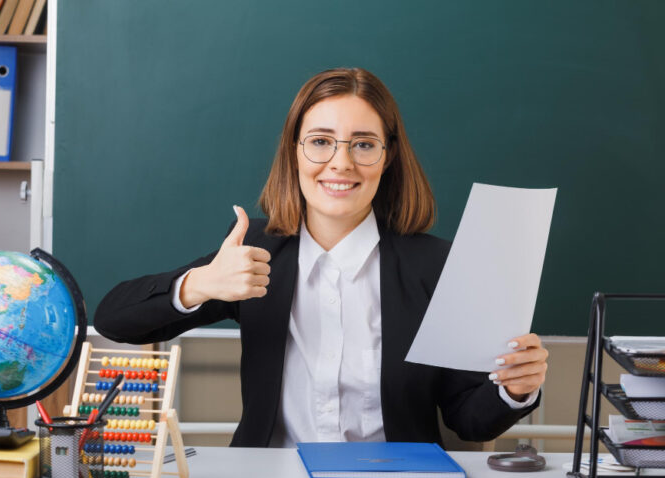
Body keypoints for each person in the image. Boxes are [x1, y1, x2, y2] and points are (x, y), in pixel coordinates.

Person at [94, 68, 548, 448]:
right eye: (320, 141)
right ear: (295, 152)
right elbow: (114, 319)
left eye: (364, 144)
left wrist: (514, 390)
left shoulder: (437, 266)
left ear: (387, 158)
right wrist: (201, 285)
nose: (340, 163)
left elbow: (468, 420)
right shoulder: (254, 252)